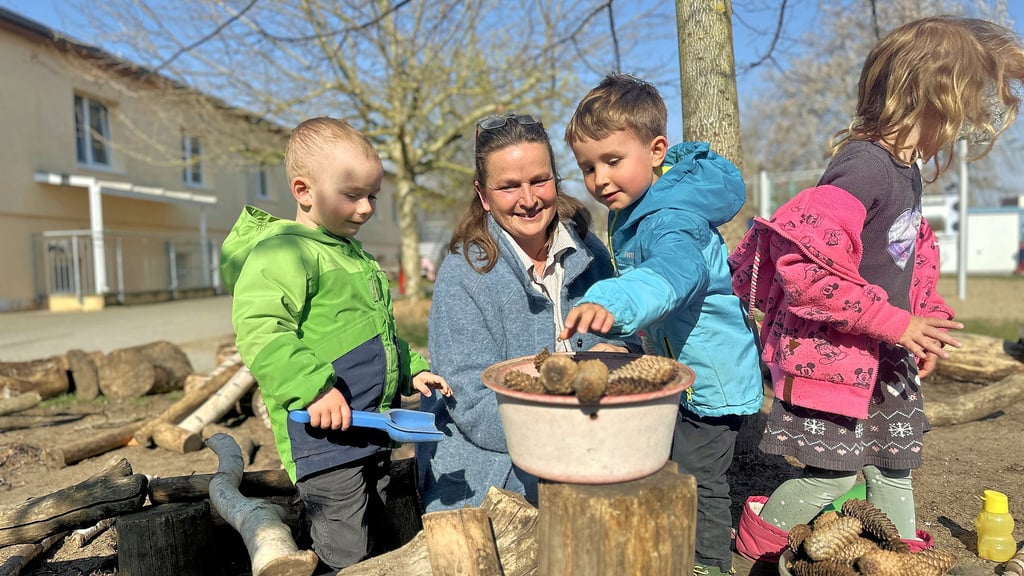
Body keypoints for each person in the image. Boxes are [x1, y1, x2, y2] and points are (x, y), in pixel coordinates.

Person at [728, 15, 1024, 563]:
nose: (960, 129)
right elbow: (806, 267)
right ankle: (756, 546)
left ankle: (902, 556)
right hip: (837, 357)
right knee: (833, 479)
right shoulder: (862, 167)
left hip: (884, 356)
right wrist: (897, 323)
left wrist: (922, 322)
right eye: (959, 112)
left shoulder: (904, 169)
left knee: (894, 465)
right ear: (928, 97)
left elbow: (907, 255)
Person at [220, 116, 452, 572]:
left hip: (371, 429)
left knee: (384, 534)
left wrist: (413, 368)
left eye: (373, 196)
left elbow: (380, 334)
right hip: (323, 439)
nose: (366, 208)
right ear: (304, 191)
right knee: (345, 545)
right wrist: (313, 388)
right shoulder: (283, 253)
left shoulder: (352, 255)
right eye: (352, 195)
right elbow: (262, 330)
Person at [560, 73, 765, 576]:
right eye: (587, 167)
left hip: (711, 377)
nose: (600, 179)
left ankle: (708, 564)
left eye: (612, 161)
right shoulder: (636, 207)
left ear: (656, 151)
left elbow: (673, 276)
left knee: (698, 478)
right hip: (681, 367)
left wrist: (614, 299)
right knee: (671, 463)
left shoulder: (670, 218)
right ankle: (672, 545)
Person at [417, 112, 636, 511]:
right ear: (483, 195)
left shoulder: (590, 252)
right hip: (493, 473)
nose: (529, 199)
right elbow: (473, 405)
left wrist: (617, 352)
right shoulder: (462, 275)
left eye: (539, 180)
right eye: (509, 187)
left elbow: (623, 332)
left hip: (596, 445)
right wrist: (569, 433)